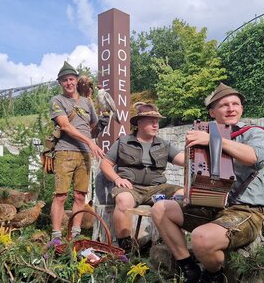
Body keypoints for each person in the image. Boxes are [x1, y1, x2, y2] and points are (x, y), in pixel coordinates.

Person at [151, 82, 264, 283]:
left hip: (246, 210)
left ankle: (214, 274)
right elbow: (194, 169)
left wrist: (214, 140)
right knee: (160, 208)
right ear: (212, 112)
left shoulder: (254, 133)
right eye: (224, 105)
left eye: (236, 104)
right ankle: (188, 267)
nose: (231, 108)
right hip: (211, 207)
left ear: (241, 109)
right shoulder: (202, 133)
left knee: (201, 238)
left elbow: (256, 158)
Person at [99, 103, 185, 253]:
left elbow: (184, 160)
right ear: (139, 123)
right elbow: (105, 164)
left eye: (157, 121)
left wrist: (196, 149)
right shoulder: (123, 142)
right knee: (123, 200)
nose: (155, 124)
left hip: (158, 188)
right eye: (151, 120)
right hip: (132, 187)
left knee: (183, 195)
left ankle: (172, 242)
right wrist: (117, 179)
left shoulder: (164, 145)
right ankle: (126, 248)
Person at [49, 61, 105, 241]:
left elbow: (92, 128)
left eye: (71, 79)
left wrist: (102, 125)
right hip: (65, 152)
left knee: (81, 195)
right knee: (61, 196)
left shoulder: (87, 102)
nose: (69, 83)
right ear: (60, 83)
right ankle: (56, 236)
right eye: (64, 80)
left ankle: (76, 234)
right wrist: (90, 142)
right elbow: (65, 126)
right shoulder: (57, 101)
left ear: (76, 80)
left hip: (84, 154)